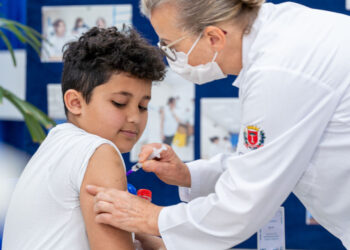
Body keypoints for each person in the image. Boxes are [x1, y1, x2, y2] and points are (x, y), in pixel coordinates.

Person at [86, 0, 350, 249]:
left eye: (170, 46)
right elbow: (259, 161)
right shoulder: (286, 36)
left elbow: (245, 202)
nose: (169, 56)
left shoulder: (280, 70)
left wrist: (152, 217)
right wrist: (187, 175)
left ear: (214, 38)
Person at [2, 27, 165, 249]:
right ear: (75, 102)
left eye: (143, 106)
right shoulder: (99, 150)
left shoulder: (57, 141)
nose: (135, 117)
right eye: (119, 103)